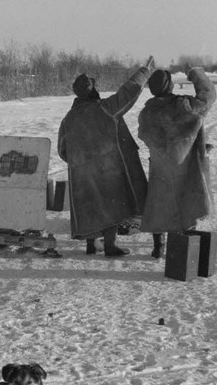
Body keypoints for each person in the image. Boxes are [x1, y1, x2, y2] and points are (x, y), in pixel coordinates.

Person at [57, 55, 156, 257]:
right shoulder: (105, 108)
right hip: (107, 169)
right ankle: (110, 245)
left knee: (90, 205)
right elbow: (128, 93)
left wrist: (80, 163)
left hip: (82, 172)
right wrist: (144, 72)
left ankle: (91, 245)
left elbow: (62, 150)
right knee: (111, 205)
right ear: (93, 90)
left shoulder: (69, 118)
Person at [137, 62, 217, 258]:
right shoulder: (184, 105)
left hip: (160, 165)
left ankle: (158, 246)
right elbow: (208, 96)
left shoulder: (146, 112)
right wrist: (195, 72)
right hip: (185, 165)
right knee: (187, 201)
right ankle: (183, 245)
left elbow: (144, 135)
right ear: (169, 86)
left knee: (158, 202)